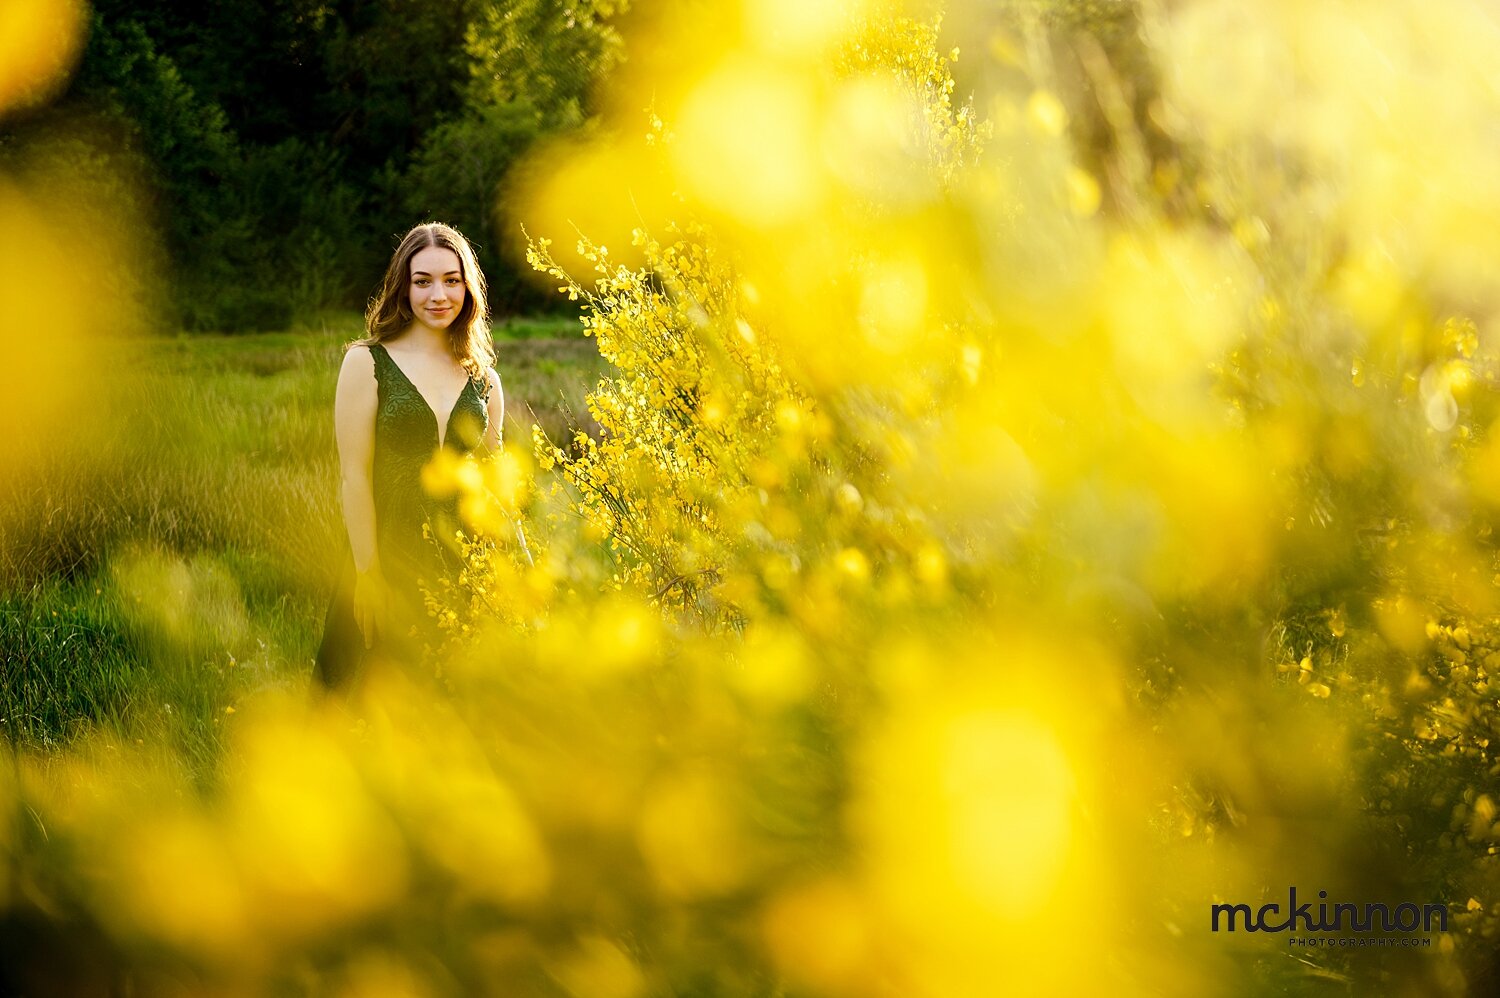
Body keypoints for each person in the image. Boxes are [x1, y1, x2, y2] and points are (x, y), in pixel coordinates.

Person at [313, 222, 505, 693]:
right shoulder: (366, 362)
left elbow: (497, 487)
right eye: (423, 281)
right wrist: (367, 574)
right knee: (365, 696)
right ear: (404, 286)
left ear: (467, 287)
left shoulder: (484, 379)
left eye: (451, 280)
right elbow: (353, 478)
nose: (438, 294)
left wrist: (513, 565)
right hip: (386, 554)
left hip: (461, 557)